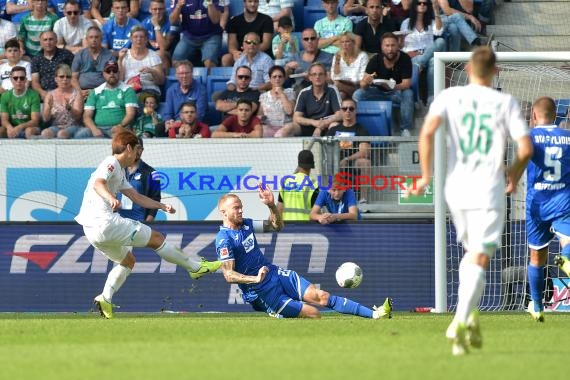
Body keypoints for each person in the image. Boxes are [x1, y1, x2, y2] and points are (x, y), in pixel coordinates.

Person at [408, 47, 533, 355]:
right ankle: (459, 320)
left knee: (469, 254)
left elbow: (426, 134)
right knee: (480, 257)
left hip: (456, 187)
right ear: (496, 71)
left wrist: (424, 176)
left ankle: (469, 314)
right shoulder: (504, 102)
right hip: (487, 187)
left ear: (467, 67)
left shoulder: (449, 97)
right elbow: (526, 148)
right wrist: (514, 175)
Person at [75, 130, 221, 319]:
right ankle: (195, 268)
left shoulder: (120, 171)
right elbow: (98, 183)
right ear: (128, 148)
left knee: (128, 261)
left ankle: (105, 298)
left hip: (92, 231)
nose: (138, 155)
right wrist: (110, 197)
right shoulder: (111, 162)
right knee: (157, 239)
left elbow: (136, 197)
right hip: (105, 223)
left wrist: (161, 205)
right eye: (136, 150)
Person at [215, 185, 393, 319]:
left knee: (321, 297)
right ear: (223, 212)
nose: (240, 210)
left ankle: (376, 314)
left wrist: (271, 206)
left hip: (274, 273)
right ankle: (275, 311)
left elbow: (277, 226)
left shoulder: (246, 223)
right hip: (261, 292)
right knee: (314, 313)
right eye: (236, 208)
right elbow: (229, 275)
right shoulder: (224, 239)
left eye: (240, 206)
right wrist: (255, 278)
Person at [524, 97, 570, 323]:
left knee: (536, 256)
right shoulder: (568, 137)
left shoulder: (529, 137)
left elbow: (522, 159)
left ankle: (538, 307)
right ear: (556, 115)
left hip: (537, 204)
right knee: (568, 241)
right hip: (563, 199)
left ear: (534, 116)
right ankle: (566, 259)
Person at [353, 32, 414, 137]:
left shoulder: (405, 59)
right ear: (381, 47)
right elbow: (363, 84)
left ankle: (405, 129)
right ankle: (356, 126)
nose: (390, 49)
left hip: (396, 92)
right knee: (358, 94)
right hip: (377, 91)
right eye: (387, 46)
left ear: (398, 46)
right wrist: (365, 82)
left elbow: (407, 84)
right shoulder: (375, 60)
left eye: (393, 45)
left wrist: (392, 86)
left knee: (408, 93)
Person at [77, 60, 138, 138]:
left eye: (114, 70)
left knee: (122, 136)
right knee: (80, 135)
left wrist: (120, 126)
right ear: (103, 74)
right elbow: (87, 116)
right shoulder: (95, 92)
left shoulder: (128, 90)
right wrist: (94, 129)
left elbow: (130, 114)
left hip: (121, 127)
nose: (112, 73)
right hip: (98, 128)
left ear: (119, 73)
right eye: (108, 71)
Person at [400, 0, 446, 104]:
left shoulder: (431, 22)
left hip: (426, 55)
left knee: (440, 41)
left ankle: (431, 98)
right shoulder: (406, 23)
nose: (422, 5)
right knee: (433, 60)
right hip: (412, 56)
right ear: (414, 5)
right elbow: (402, 46)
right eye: (419, 3)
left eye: (425, 3)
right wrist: (411, 54)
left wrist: (436, 11)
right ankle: (430, 96)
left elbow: (439, 31)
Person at [327, 98, 371, 203]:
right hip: (335, 163)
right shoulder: (333, 130)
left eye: (351, 108)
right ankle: (329, 197)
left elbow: (365, 152)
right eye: (344, 108)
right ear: (341, 111)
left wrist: (347, 159)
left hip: (353, 163)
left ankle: (363, 199)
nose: (348, 111)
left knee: (365, 162)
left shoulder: (361, 130)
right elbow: (326, 149)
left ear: (355, 111)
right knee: (326, 162)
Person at [287, 62, 342, 137]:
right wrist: (314, 122)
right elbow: (296, 118)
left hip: (327, 126)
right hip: (309, 126)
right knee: (288, 127)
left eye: (320, 74)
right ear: (310, 77)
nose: (317, 77)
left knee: (334, 125)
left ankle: (332, 148)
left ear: (325, 76)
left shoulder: (332, 90)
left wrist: (321, 125)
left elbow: (340, 114)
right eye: (314, 74)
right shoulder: (304, 92)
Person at [169, 0, 224, 70]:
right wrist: (178, 6)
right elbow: (172, 21)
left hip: (210, 36)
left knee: (209, 62)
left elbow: (215, 20)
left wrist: (209, 2)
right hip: (189, 37)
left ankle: (210, 80)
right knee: (176, 62)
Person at [117, 137, 160, 223]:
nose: (136, 151)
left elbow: (156, 198)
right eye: (134, 147)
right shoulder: (118, 169)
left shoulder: (153, 173)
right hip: (118, 220)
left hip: (139, 222)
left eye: (139, 148)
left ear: (142, 150)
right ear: (129, 149)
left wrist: (148, 221)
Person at [221, 0, 273, 67]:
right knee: (226, 59)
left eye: (256, 1)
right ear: (244, 3)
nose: (253, 4)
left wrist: (249, 51)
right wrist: (235, 52)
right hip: (241, 54)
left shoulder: (267, 20)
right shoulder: (234, 21)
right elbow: (232, 45)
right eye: (250, 1)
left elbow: (266, 44)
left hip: (259, 53)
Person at [118, 25, 164, 97]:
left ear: (146, 39)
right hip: (130, 89)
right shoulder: (124, 55)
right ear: (131, 39)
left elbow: (161, 81)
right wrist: (120, 60)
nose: (139, 39)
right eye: (135, 37)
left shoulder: (153, 55)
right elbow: (120, 80)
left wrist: (152, 71)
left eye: (141, 37)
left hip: (149, 90)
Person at [41, 63, 85, 139]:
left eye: (68, 77)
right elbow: (45, 119)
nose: (65, 79)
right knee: (45, 133)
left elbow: (77, 117)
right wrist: (49, 108)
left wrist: (70, 109)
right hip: (56, 126)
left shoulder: (77, 94)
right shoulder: (50, 95)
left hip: (73, 126)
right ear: (55, 79)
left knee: (62, 134)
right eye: (61, 77)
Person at [71, 25, 115, 99]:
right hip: (82, 93)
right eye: (91, 37)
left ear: (101, 39)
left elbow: (112, 78)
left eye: (96, 37)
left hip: (103, 93)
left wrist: (96, 91)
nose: (94, 40)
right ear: (87, 39)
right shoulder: (80, 55)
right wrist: (80, 92)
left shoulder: (109, 56)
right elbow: (73, 78)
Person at [284, 28, 333, 92]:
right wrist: (287, 67)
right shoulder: (296, 57)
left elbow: (333, 80)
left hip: (323, 90)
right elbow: (282, 78)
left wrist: (313, 76)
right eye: (306, 39)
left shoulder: (329, 57)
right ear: (302, 41)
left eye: (312, 38)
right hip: (301, 91)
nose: (309, 41)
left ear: (317, 40)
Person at [31, 30, 75, 100]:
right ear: (41, 42)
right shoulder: (36, 59)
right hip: (44, 94)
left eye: (51, 39)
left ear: (56, 41)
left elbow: (74, 76)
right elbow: (35, 82)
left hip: (66, 91)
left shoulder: (67, 55)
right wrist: (42, 93)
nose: (48, 42)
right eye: (45, 40)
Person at [0, 66, 41, 139]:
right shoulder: (5, 96)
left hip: (30, 127)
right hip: (12, 127)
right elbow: (4, 120)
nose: (18, 80)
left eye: (22, 78)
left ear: (25, 80)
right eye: (15, 78)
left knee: (29, 131)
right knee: (1, 130)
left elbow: (35, 121)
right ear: (11, 80)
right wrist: (9, 127)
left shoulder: (34, 95)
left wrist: (19, 127)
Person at [277, 149, 319, 221]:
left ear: (298, 163)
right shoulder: (314, 184)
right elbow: (315, 211)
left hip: (286, 226)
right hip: (305, 227)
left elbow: (279, 208)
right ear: (312, 164)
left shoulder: (286, 181)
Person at [257, 65, 296, 137]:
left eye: (280, 76)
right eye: (274, 77)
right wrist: (261, 119)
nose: (277, 79)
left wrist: (281, 94)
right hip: (269, 127)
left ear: (284, 78)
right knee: (261, 131)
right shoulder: (263, 96)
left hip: (285, 127)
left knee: (280, 134)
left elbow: (290, 111)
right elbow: (260, 115)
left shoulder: (290, 92)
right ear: (270, 79)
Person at [330, 32, 369, 100]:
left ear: (353, 43)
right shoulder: (337, 56)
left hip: (357, 87)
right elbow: (334, 76)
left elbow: (360, 78)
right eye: (342, 42)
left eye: (347, 42)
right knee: (340, 95)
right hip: (340, 85)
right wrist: (337, 62)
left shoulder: (362, 56)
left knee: (336, 86)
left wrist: (344, 80)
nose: (344, 45)